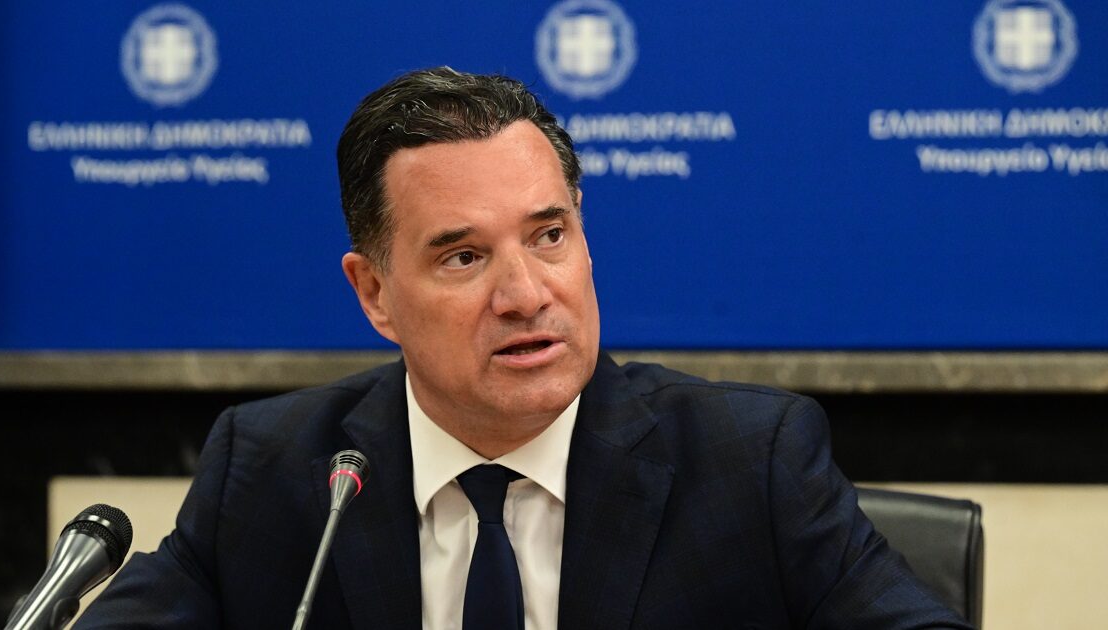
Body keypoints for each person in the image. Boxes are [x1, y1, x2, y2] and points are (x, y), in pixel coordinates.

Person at [76, 67, 972, 629]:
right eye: (464, 257)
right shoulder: (275, 473)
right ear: (375, 293)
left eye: (548, 237)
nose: (526, 295)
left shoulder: (751, 463)